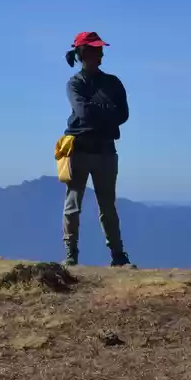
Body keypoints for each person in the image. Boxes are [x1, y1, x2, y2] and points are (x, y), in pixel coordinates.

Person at [61, 31, 132, 267]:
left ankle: (117, 256)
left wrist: (96, 109)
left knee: (105, 206)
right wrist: (106, 110)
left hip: (102, 150)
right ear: (84, 53)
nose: (101, 54)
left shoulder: (110, 82)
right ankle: (73, 255)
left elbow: (123, 114)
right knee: (75, 205)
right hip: (82, 150)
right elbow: (84, 113)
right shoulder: (76, 83)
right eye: (97, 50)